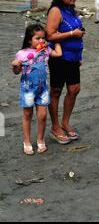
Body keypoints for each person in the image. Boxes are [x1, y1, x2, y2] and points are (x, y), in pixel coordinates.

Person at [12, 24, 62, 155]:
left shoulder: (45, 50)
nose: (41, 41)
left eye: (43, 38)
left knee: (43, 115)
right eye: (37, 38)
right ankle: (27, 141)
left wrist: (56, 40)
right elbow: (17, 72)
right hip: (28, 88)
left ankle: (40, 139)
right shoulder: (21, 53)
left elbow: (58, 53)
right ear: (29, 40)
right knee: (27, 114)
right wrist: (15, 65)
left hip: (43, 88)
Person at [46, 0, 85, 144]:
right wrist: (71, 33)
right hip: (59, 58)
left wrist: (79, 55)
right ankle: (55, 127)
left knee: (74, 89)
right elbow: (50, 35)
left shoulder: (71, 11)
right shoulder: (56, 11)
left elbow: (78, 34)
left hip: (73, 58)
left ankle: (65, 122)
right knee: (56, 91)